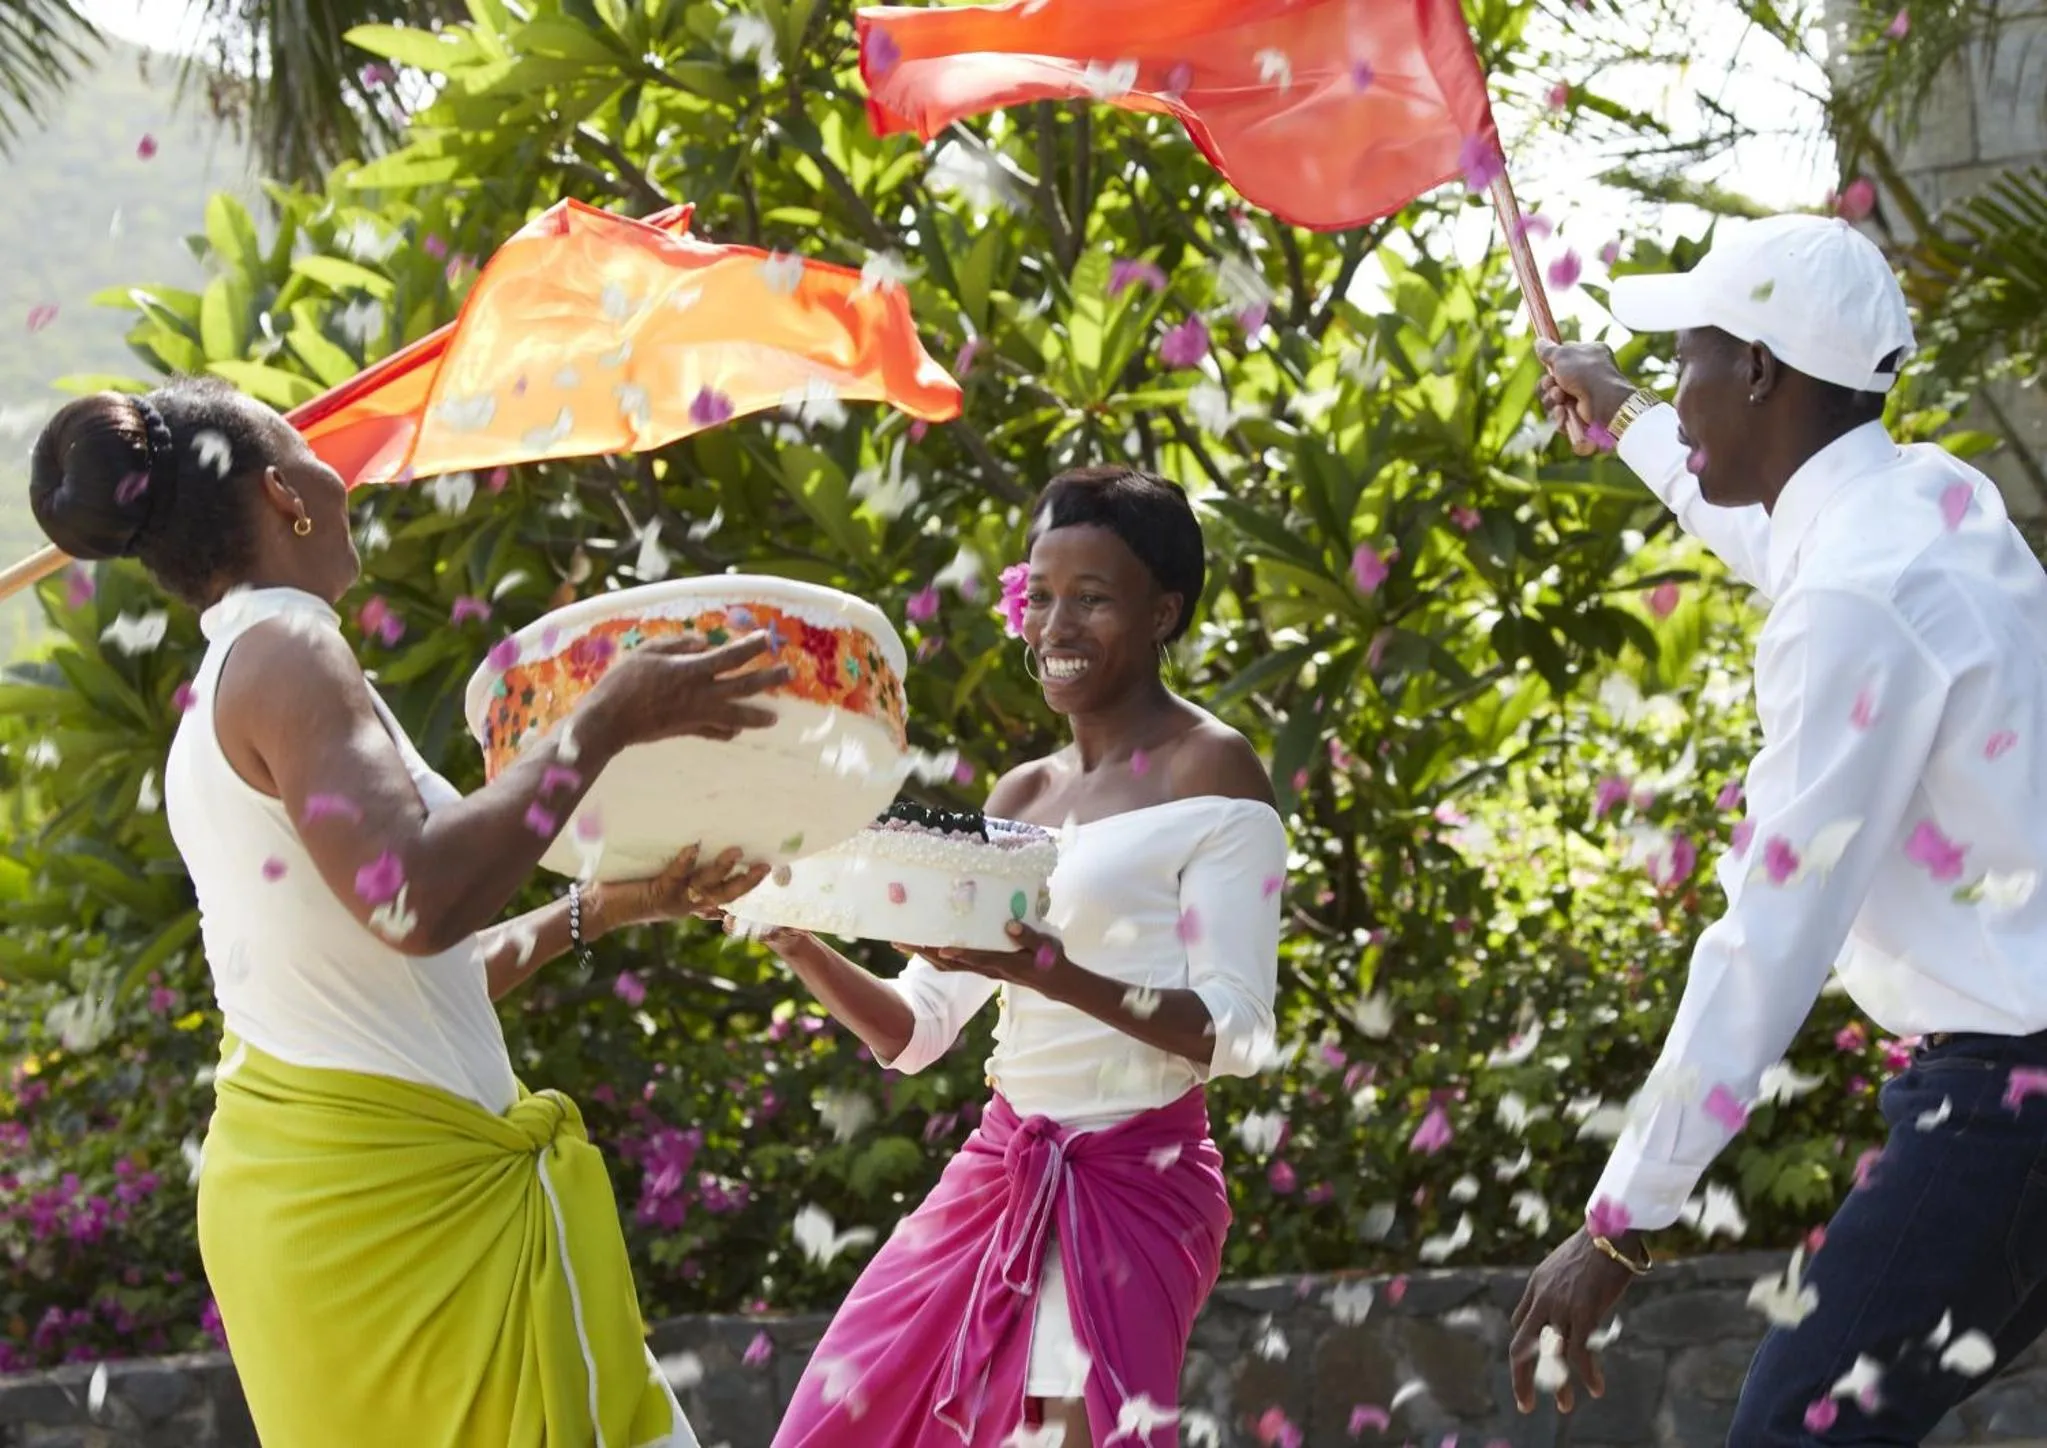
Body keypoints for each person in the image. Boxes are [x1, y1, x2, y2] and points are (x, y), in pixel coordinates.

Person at [28, 377, 788, 1448]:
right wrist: (612, 713)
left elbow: (408, 980)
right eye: (311, 453)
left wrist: (610, 906)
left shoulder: (226, 692)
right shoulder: (291, 653)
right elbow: (416, 898)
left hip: (336, 1196)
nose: (342, 478)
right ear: (287, 494)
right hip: (388, 1217)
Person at [1510, 214, 2047, 1442]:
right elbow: (1776, 534)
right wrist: (1630, 409)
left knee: (1792, 1427)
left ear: (1758, 369)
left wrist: (1619, 1222)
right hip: (2013, 1081)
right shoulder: (1927, 498)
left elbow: (1769, 933)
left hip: (2006, 1102)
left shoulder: (1860, 593)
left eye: (1690, 354)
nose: (1681, 384)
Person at [746, 466, 1288, 1448]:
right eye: (1040, 595)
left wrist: (1048, 971)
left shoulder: (1213, 767)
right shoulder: (1020, 796)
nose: (1055, 625)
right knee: (832, 1425)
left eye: (1093, 598)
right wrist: (796, 936)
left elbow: (1239, 1032)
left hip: (1135, 1176)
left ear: (1163, 612)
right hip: (1000, 1169)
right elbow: (913, 1033)